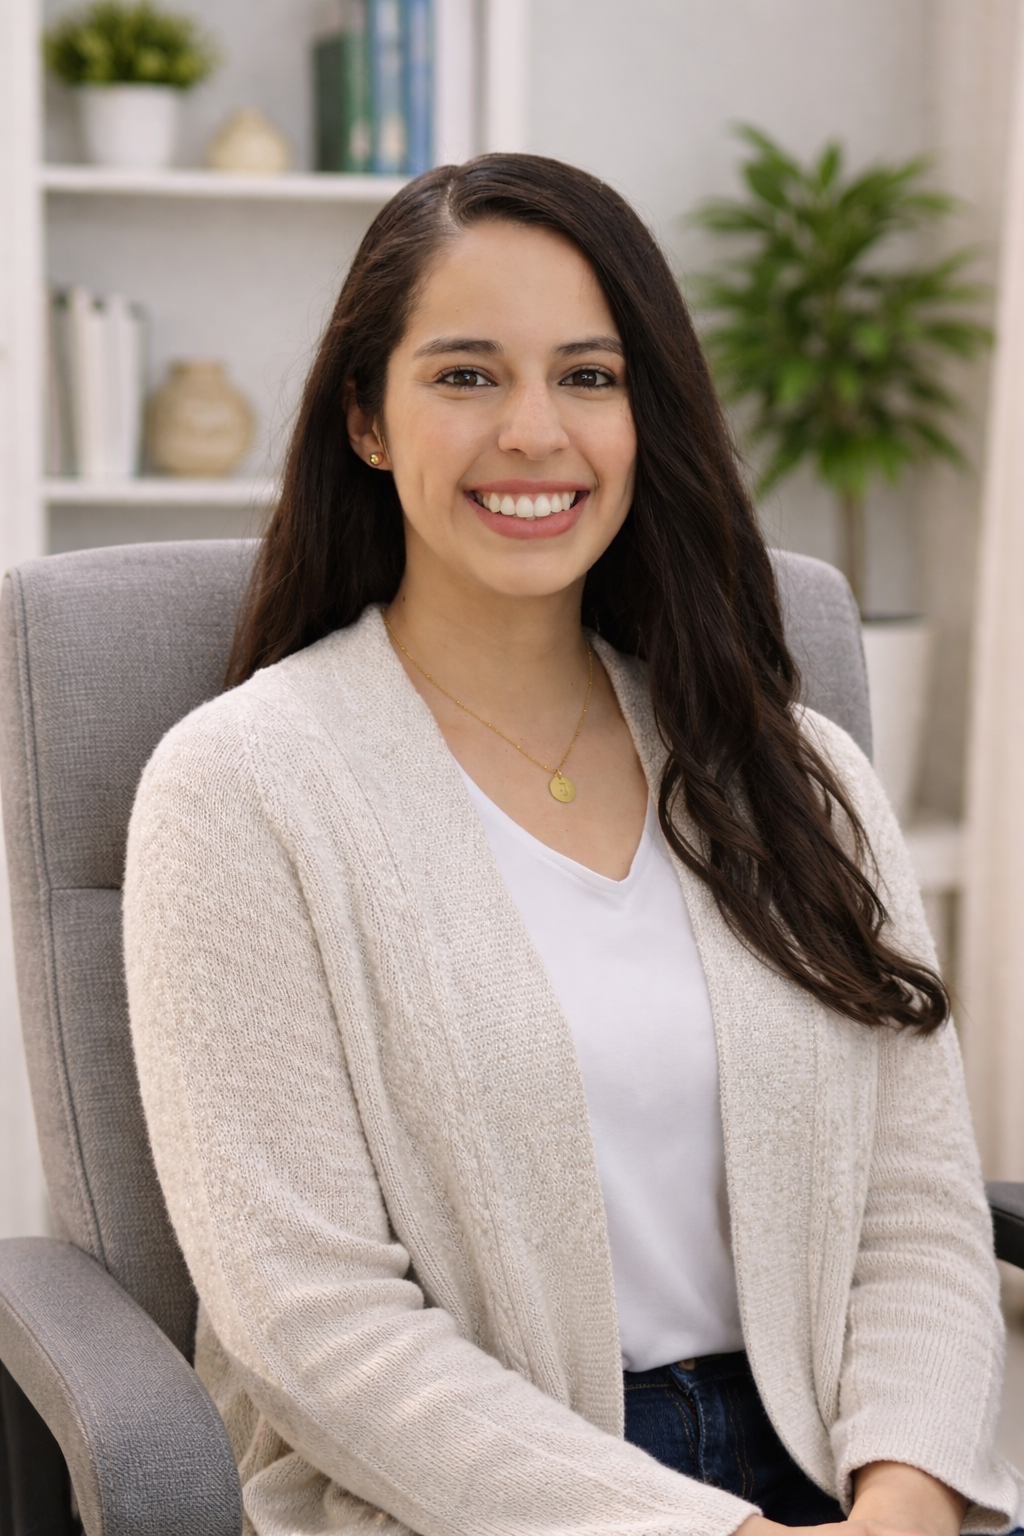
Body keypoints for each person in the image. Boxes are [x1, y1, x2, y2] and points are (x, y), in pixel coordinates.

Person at [123, 154, 1022, 1536]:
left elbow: (916, 1221)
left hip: (849, 1460)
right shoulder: (242, 789)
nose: (535, 431)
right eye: (466, 375)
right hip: (477, 1497)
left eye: (589, 377)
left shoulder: (792, 774)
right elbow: (313, 1324)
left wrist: (905, 1499)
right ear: (366, 418)